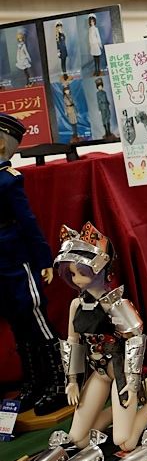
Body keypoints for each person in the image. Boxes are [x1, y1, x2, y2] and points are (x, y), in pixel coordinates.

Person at [0, 114, 66, 415]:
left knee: (36, 318)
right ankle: (33, 382)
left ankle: (59, 383)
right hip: (2, 264)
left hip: (17, 260)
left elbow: (28, 223)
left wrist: (43, 260)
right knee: (17, 323)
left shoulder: (8, 180)